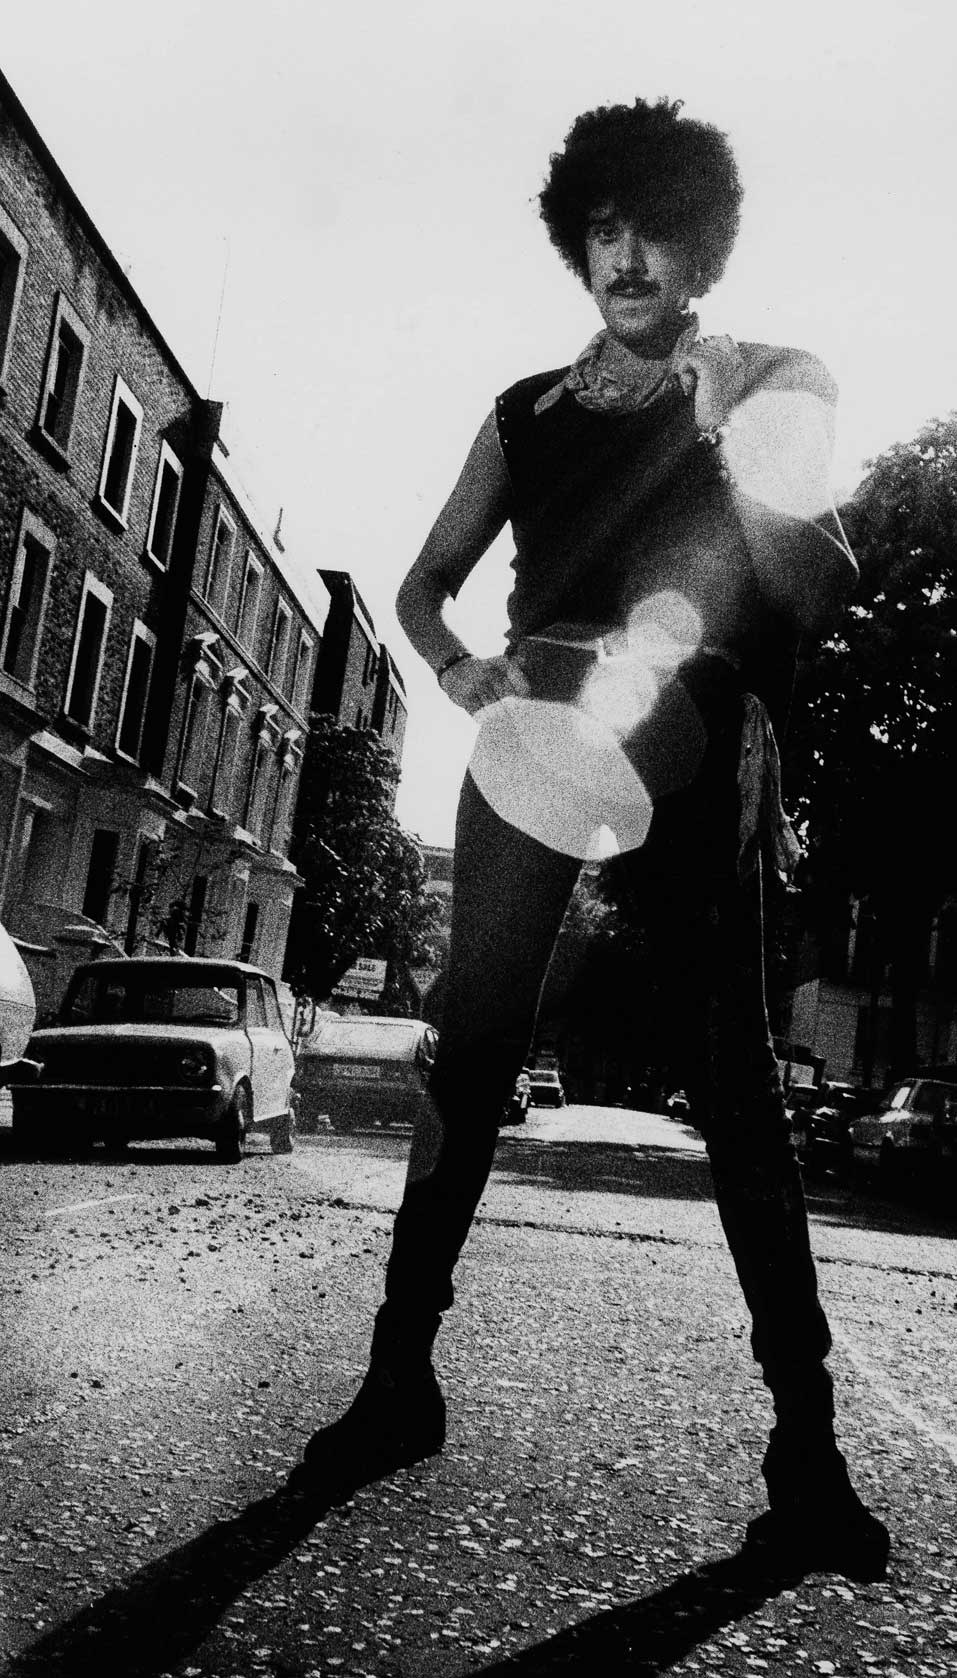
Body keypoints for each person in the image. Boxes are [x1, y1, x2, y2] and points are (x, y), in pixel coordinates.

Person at [302, 97, 889, 1579]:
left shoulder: (775, 376)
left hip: (695, 743)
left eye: (657, 231)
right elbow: (424, 582)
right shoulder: (526, 412)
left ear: (703, 244)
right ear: (581, 240)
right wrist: (452, 668)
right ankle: (394, 1383)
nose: (627, 256)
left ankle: (804, 1453)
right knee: (471, 1040)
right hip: (531, 742)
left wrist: (727, 432)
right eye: (603, 229)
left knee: (737, 1080)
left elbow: (816, 589)